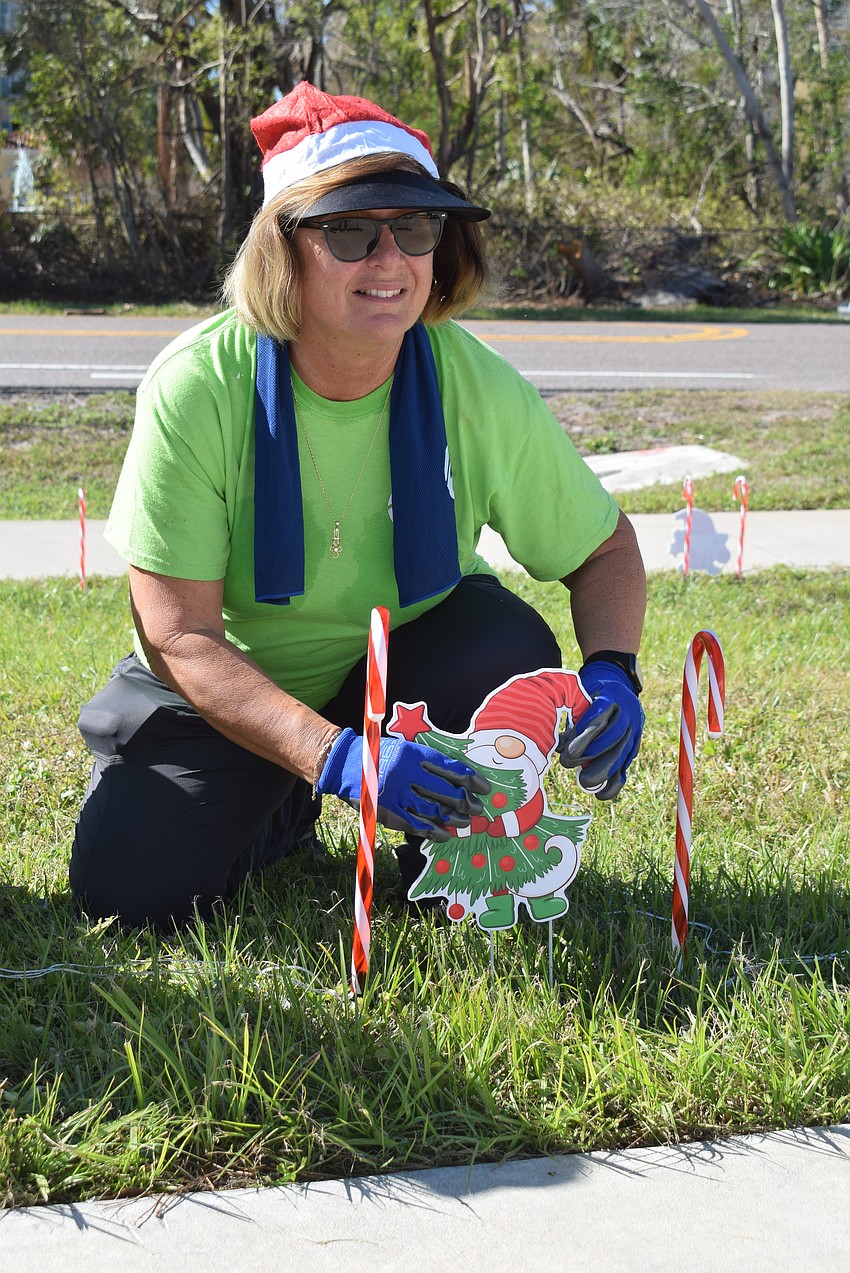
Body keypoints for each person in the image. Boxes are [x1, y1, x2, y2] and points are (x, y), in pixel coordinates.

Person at [69, 82, 647, 929]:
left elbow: (603, 551)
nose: (391, 260)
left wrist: (612, 669)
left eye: (415, 228)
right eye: (349, 230)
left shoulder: (473, 382)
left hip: (409, 666)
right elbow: (178, 633)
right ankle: (283, 801)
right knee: (127, 894)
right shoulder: (196, 385)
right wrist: (329, 755)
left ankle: (442, 862)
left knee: (505, 640)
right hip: (236, 686)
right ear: (283, 247)